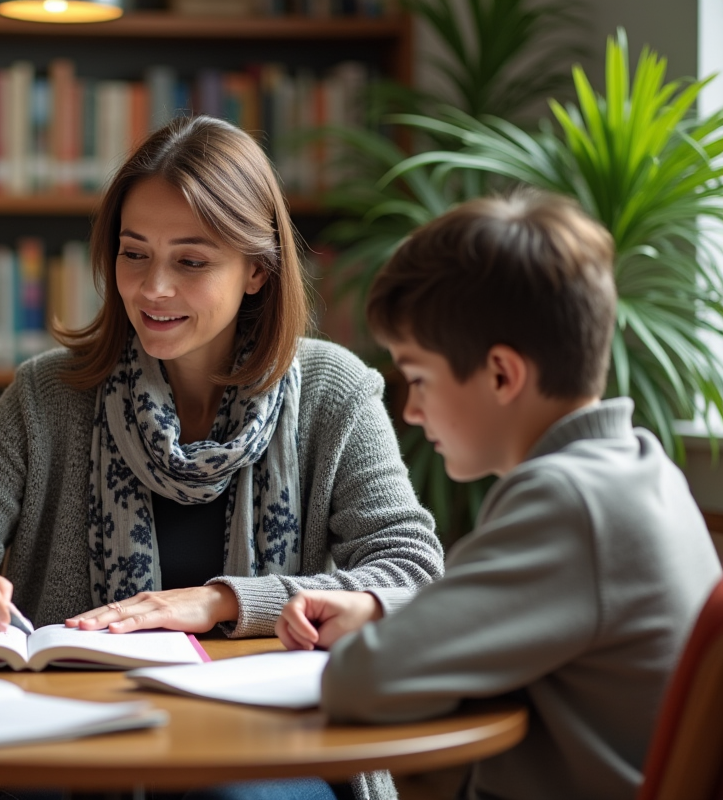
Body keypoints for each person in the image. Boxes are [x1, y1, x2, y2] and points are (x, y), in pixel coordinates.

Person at [0, 115, 443, 800]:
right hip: (77, 743)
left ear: (257, 270)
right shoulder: (48, 394)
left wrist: (225, 602)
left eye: (191, 262)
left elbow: (412, 576)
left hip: (271, 752)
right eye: (134, 254)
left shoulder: (333, 393)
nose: (152, 288)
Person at [276, 190, 723, 800]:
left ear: (501, 375)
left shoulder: (567, 503)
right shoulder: (641, 468)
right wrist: (385, 610)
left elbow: (363, 682)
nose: (410, 408)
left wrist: (382, 637)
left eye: (420, 377)